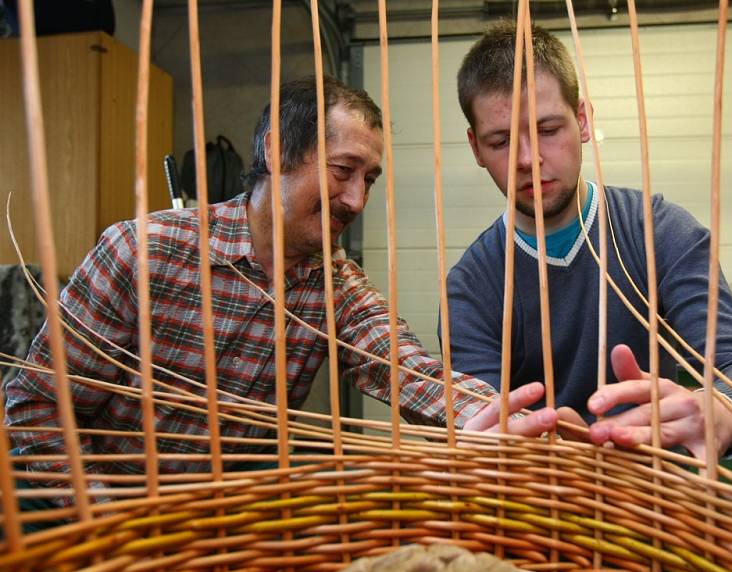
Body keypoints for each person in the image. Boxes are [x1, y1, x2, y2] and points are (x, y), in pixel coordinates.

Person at [5, 76, 557, 516]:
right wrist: (110, 520)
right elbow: (33, 408)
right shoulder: (140, 251)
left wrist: (495, 418)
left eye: (371, 179)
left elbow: (405, 366)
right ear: (275, 151)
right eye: (344, 171)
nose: (357, 199)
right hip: (85, 518)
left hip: (215, 533)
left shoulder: (334, 283)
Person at [442, 21, 732, 460]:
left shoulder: (658, 232)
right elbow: (482, 417)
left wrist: (718, 412)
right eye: (501, 141)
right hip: (534, 507)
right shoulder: (470, 287)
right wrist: (504, 442)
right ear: (476, 148)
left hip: (655, 501)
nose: (528, 159)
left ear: (582, 120)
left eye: (547, 130)